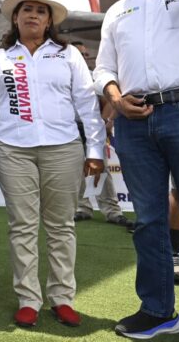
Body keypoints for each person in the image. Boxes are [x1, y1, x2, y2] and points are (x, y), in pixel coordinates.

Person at [0, 0, 106, 328]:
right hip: (14, 151)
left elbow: (87, 102)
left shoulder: (68, 54)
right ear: (15, 16)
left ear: (49, 19)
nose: (33, 15)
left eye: (41, 11)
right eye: (27, 9)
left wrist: (96, 149)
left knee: (60, 227)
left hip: (64, 148)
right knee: (22, 227)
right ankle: (28, 298)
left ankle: (62, 298)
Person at [94, 0, 179, 339]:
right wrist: (115, 97)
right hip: (134, 119)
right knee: (149, 219)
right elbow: (104, 68)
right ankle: (159, 311)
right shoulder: (117, 11)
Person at [70, 42, 131, 229]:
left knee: (101, 169)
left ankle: (112, 211)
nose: (85, 57)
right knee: (76, 171)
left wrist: (103, 123)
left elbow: (110, 100)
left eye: (86, 54)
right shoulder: (59, 75)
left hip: (90, 128)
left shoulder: (91, 77)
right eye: (81, 54)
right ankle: (82, 208)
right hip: (68, 129)